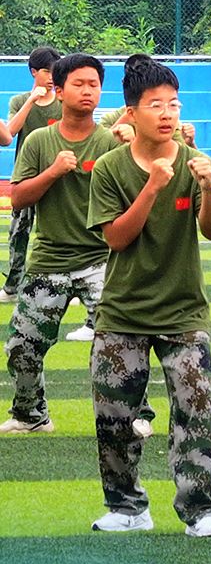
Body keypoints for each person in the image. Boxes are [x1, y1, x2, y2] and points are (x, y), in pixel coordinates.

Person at [87, 56, 211, 535]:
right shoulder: (110, 168)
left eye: (173, 104)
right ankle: (127, 507)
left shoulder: (197, 163)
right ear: (131, 112)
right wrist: (151, 187)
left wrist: (208, 188)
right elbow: (116, 238)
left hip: (183, 310)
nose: (167, 113)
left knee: (195, 411)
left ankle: (201, 510)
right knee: (114, 416)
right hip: (123, 310)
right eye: (155, 105)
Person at [1, 54, 117, 435]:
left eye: (94, 84)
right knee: (22, 345)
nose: (87, 91)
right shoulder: (40, 141)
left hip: (101, 260)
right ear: (60, 90)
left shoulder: (109, 144)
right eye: (78, 84)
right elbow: (18, 198)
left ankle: (133, 416)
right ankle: (30, 414)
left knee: (122, 344)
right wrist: (52, 171)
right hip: (49, 259)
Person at [0, 46, 63, 306]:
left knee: (59, 234)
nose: (51, 77)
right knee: (19, 233)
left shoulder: (62, 103)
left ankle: (60, 286)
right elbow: (8, 134)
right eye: (47, 71)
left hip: (57, 180)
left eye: (55, 71)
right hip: (26, 178)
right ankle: (13, 286)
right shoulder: (19, 101)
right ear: (34, 72)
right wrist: (31, 101)